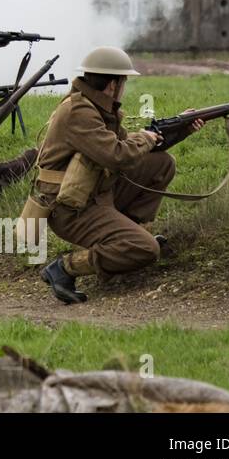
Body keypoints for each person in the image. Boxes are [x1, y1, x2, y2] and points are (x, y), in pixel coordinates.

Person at [31, 47, 204, 305]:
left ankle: (126, 241)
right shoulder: (80, 112)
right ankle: (65, 268)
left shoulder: (95, 107)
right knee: (147, 249)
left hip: (95, 192)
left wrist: (181, 129)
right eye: (123, 81)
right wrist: (143, 137)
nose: (124, 87)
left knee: (160, 164)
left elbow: (131, 151)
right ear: (112, 84)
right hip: (70, 208)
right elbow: (117, 155)